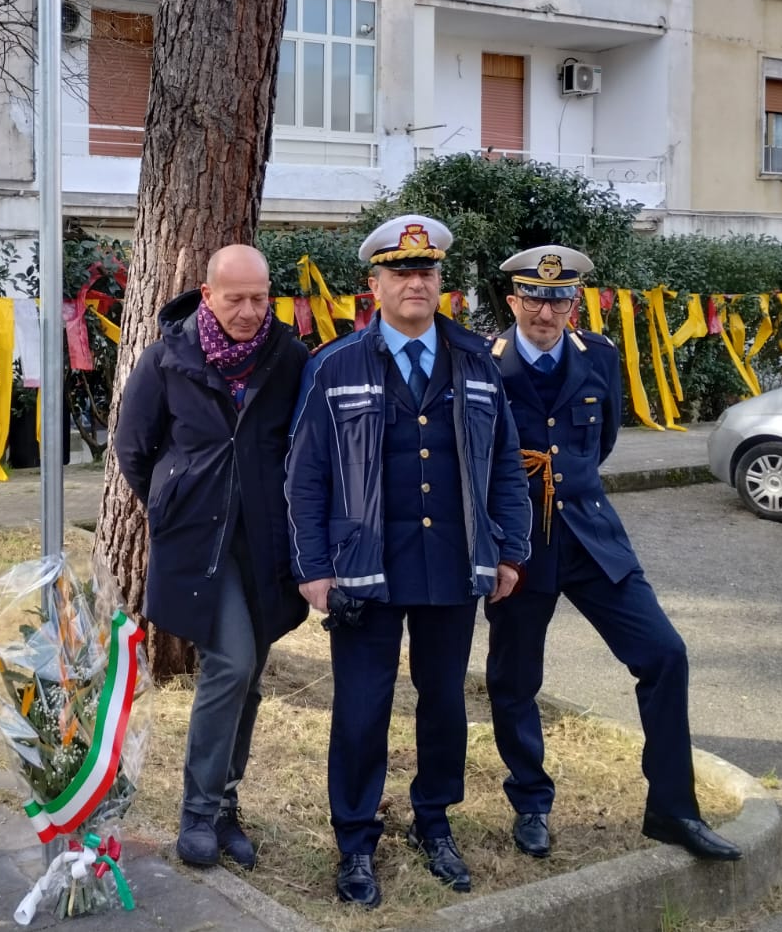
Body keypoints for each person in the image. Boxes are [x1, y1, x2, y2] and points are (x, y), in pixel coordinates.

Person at [285, 214, 531, 908]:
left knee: (444, 701)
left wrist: (511, 549)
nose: (414, 282)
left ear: (440, 283)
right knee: (362, 708)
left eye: (425, 272)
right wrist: (312, 567)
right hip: (364, 568)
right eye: (399, 272)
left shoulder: (478, 362)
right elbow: (302, 476)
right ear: (375, 285)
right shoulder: (332, 366)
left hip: (451, 565)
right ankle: (356, 839)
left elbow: (506, 463)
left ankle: (434, 820)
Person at [484, 245, 742, 863]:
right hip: (520, 545)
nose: (547, 311)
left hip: (593, 538)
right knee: (515, 680)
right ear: (514, 301)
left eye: (559, 299)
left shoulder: (598, 356)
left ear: (574, 302)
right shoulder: (482, 364)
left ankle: (673, 809)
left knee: (664, 654)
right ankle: (531, 803)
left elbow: (595, 446)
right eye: (535, 299)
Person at [113, 245, 309, 869]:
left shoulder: (290, 358)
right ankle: (197, 811)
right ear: (208, 294)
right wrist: (172, 502)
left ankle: (225, 806)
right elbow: (133, 446)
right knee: (232, 662)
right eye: (236, 299)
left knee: (249, 675)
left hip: (266, 543)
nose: (251, 311)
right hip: (200, 543)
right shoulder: (169, 357)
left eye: (260, 298)